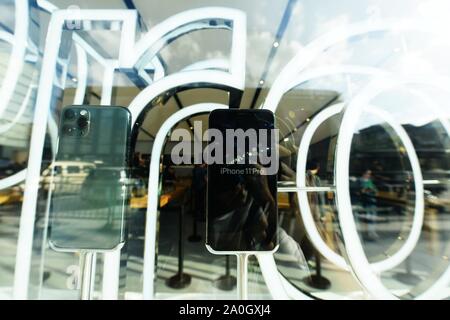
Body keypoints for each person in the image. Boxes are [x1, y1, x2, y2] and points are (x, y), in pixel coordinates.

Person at [360, 169, 379, 241]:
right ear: (364, 174)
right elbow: (361, 191)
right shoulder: (361, 181)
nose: (368, 175)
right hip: (366, 202)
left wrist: (373, 190)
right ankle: (370, 232)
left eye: (370, 174)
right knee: (369, 217)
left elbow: (375, 190)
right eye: (367, 174)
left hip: (372, 201)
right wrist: (366, 190)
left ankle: (372, 232)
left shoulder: (370, 181)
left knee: (373, 217)